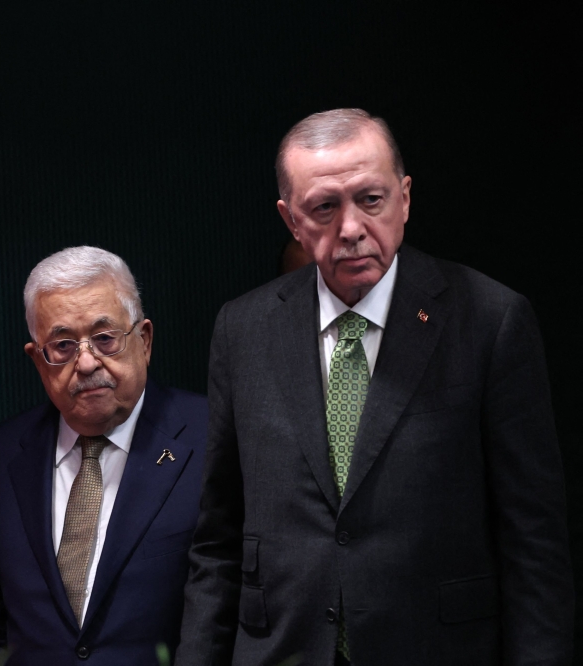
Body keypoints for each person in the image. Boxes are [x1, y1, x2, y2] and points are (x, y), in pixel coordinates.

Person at [176, 109, 573, 665]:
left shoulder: (490, 320)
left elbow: (534, 542)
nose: (352, 228)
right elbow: (218, 539)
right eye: (324, 207)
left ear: (404, 198)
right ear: (290, 219)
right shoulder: (242, 330)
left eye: (371, 199)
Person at [0, 246, 208, 665]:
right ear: (38, 360)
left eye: (105, 338)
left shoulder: (214, 436)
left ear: (144, 341)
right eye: (62, 345)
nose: (87, 362)